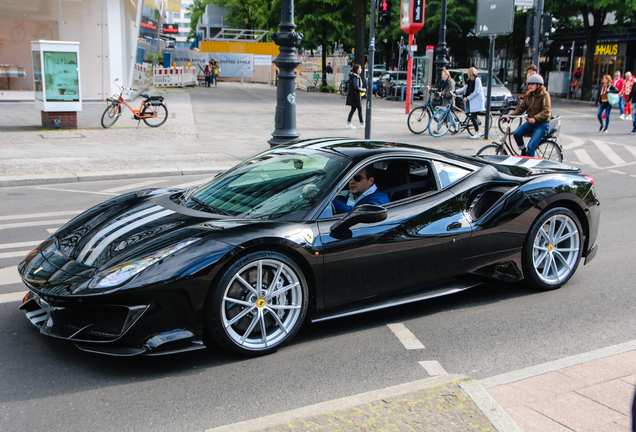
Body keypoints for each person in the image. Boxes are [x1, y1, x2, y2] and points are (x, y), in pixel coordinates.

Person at [505, 74, 551, 156]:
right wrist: (510, 116)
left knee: (531, 146)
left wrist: (535, 118)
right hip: (531, 123)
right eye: (529, 84)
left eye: (532, 84)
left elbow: (546, 111)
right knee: (517, 134)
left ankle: (529, 166)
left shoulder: (544, 95)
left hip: (542, 124)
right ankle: (523, 151)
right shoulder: (529, 95)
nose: (529, 86)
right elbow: (521, 108)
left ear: (538, 85)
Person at [455, 67, 485, 139]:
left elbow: (476, 92)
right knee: (469, 114)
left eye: (470, 73)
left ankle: (477, 132)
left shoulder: (477, 80)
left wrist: (468, 98)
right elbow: (466, 88)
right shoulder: (470, 80)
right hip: (473, 101)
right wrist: (456, 91)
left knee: (472, 116)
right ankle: (477, 125)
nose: (469, 74)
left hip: (477, 101)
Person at [346, 64, 366, 129]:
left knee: (353, 109)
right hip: (356, 96)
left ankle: (349, 123)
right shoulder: (355, 77)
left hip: (354, 95)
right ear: (357, 69)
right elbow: (356, 87)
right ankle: (362, 123)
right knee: (359, 109)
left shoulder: (354, 76)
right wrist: (363, 90)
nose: (361, 70)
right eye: (360, 68)